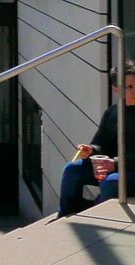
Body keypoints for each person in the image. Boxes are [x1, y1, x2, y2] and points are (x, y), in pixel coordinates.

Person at [58, 59, 135, 216]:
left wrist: (114, 163)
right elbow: (101, 142)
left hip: (128, 170)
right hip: (114, 166)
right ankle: (66, 213)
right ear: (116, 89)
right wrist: (91, 151)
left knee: (111, 182)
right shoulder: (112, 113)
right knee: (72, 170)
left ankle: (94, 215)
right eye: (130, 87)